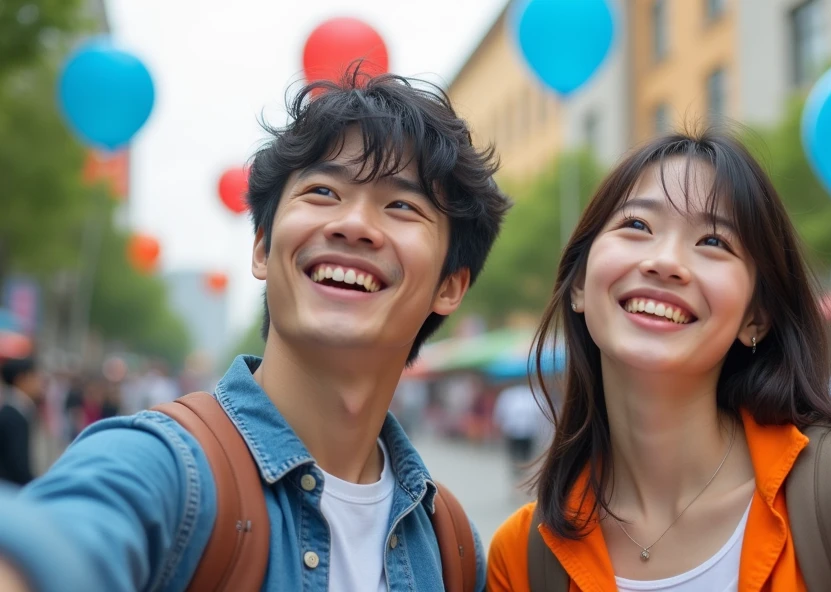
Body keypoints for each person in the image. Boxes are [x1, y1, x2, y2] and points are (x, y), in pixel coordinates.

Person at [0, 70, 509, 592]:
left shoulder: (451, 546)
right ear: (263, 247)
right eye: (322, 191)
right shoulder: (170, 472)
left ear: (450, 285)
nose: (353, 224)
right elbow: (67, 535)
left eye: (401, 205)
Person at [486, 130, 831, 591]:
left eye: (714, 240)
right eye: (637, 226)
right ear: (579, 283)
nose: (667, 262)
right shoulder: (525, 559)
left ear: (756, 317)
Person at [492, 381, 550, 481]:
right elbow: (541, 415)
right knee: (521, 458)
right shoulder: (531, 394)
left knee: (519, 458)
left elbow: (500, 414)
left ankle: (519, 478)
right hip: (519, 432)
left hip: (521, 432)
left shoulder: (510, 394)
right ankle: (520, 478)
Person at [0, 358, 45, 486]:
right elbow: (19, 468)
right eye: (35, 377)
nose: (40, 383)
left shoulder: (12, 411)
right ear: (21, 379)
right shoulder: (14, 416)